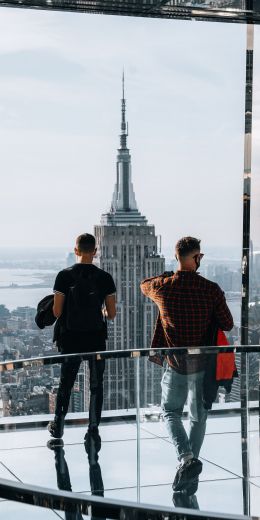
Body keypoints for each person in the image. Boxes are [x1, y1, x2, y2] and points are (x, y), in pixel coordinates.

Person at [140, 236, 233, 494]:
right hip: (203, 365)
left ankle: (187, 460)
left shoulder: (163, 287)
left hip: (175, 363)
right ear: (198, 257)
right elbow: (227, 323)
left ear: (177, 257)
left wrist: (170, 273)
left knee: (170, 412)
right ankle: (190, 471)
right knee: (198, 417)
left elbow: (143, 285)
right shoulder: (211, 289)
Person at [47, 233, 116, 444]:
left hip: (70, 338)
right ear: (95, 252)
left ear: (76, 250)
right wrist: (99, 313)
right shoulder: (105, 278)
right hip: (95, 338)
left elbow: (57, 312)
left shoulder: (64, 276)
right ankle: (93, 430)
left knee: (66, 382)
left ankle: (58, 426)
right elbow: (111, 314)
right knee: (96, 385)